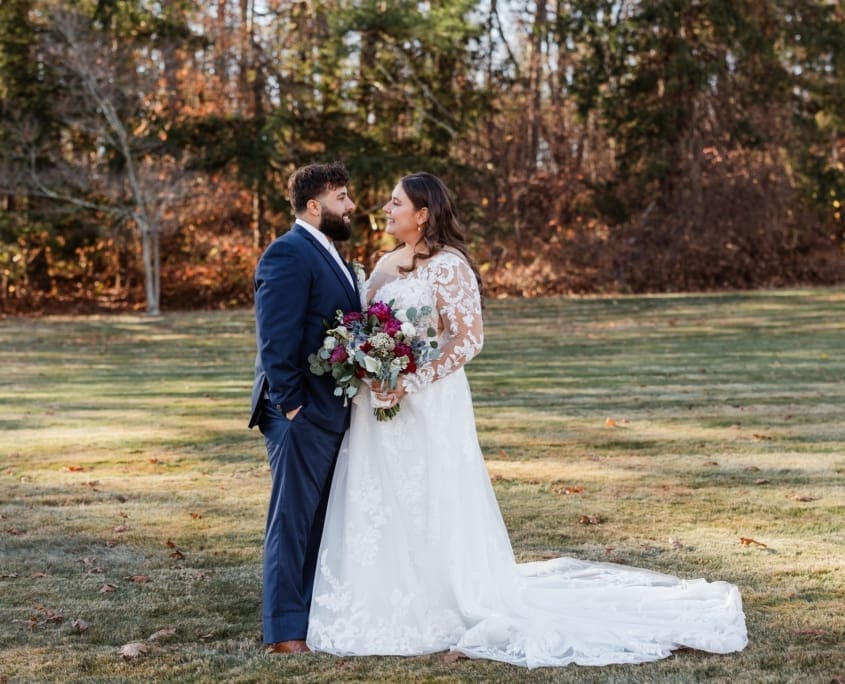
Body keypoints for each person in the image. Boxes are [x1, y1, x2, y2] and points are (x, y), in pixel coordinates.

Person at [305, 172, 748, 668]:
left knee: (435, 495)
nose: (385, 210)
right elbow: (367, 329)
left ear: (423, 213)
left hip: (429, 402)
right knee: (382, 496)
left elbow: (468, 339)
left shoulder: (450, 267)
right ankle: (381, 598)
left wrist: (411, 379)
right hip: (381, 404)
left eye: (395, 203)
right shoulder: (384, 265)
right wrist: (370, 365)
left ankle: (446, 598)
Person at [249, 162, 361, 654]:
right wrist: (292, 406)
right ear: (314, 206)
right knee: (291, 521)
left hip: (326, 410)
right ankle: (284, 632)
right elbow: (276, 338)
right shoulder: (287, 253)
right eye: (341, 197)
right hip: (299, 415)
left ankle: (310, 615)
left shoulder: (330, 253)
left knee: (317, 519)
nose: (351, 205)